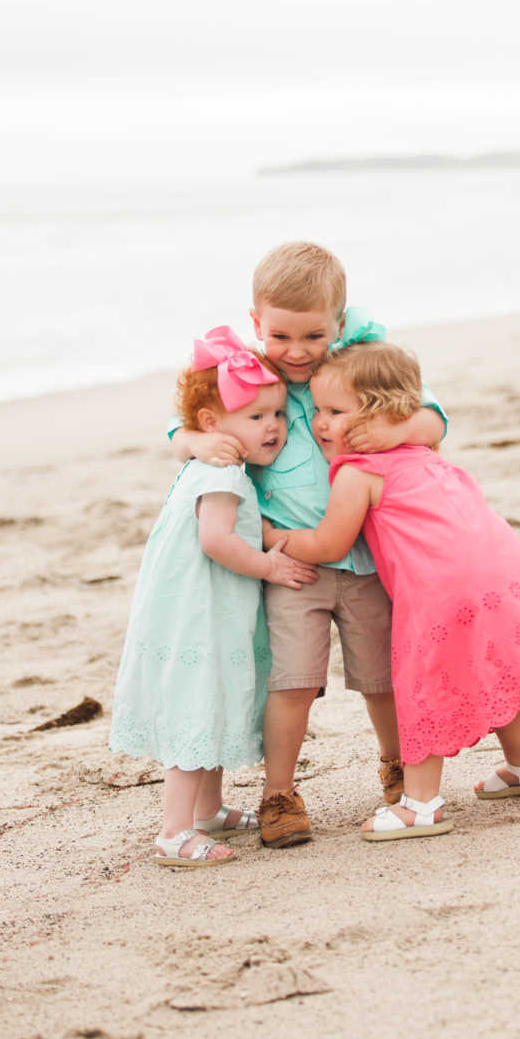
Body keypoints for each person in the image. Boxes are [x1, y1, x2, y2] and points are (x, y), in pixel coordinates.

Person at [168, 242, 447, 847]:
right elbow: (193, 422)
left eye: (314, 336)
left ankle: (399, 771)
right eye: (281, 336)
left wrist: (391, 427)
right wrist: (190, 440)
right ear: (256, 324)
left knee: (382, 678)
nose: (296, 352)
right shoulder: (247, 375)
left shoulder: (361, 363)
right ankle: (279, 793)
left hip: (370, 557)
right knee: (291, 681)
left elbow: (433, 422)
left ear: (339, 325)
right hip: (294, 565)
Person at [272, 341, 520, 840]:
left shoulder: (359, 471)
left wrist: (272, 537)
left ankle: (421, 804)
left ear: (375, 416)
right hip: (506, 571)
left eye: (333, 412)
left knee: (422, 686)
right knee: (495, 664)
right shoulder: (425, 453)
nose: (319, 423)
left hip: (441, 591)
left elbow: (328, 543)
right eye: (318, 411)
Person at [110, 327, 317, 868]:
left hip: (203, 607)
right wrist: (270, 565)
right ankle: (175, 832)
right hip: (197, 612)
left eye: (277, 414)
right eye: (255, 417)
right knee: (195, 711)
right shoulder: (222, 473)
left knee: (212, 702)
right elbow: (216, 540)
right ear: (211, 425)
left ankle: (209, 810)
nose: (272, 426)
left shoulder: (216, 465)